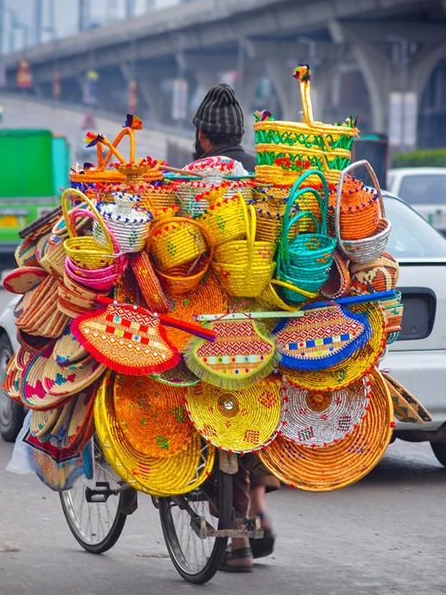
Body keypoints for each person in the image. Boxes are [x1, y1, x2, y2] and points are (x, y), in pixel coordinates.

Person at [192, 83, 278, 573]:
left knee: (208, 413)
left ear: (203, 137)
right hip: (267, 315)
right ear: (239, 134)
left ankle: (236, 539)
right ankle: (258, 514)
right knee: (261, 408)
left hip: (209, 317)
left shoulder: (190, 177)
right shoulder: (264, 175)